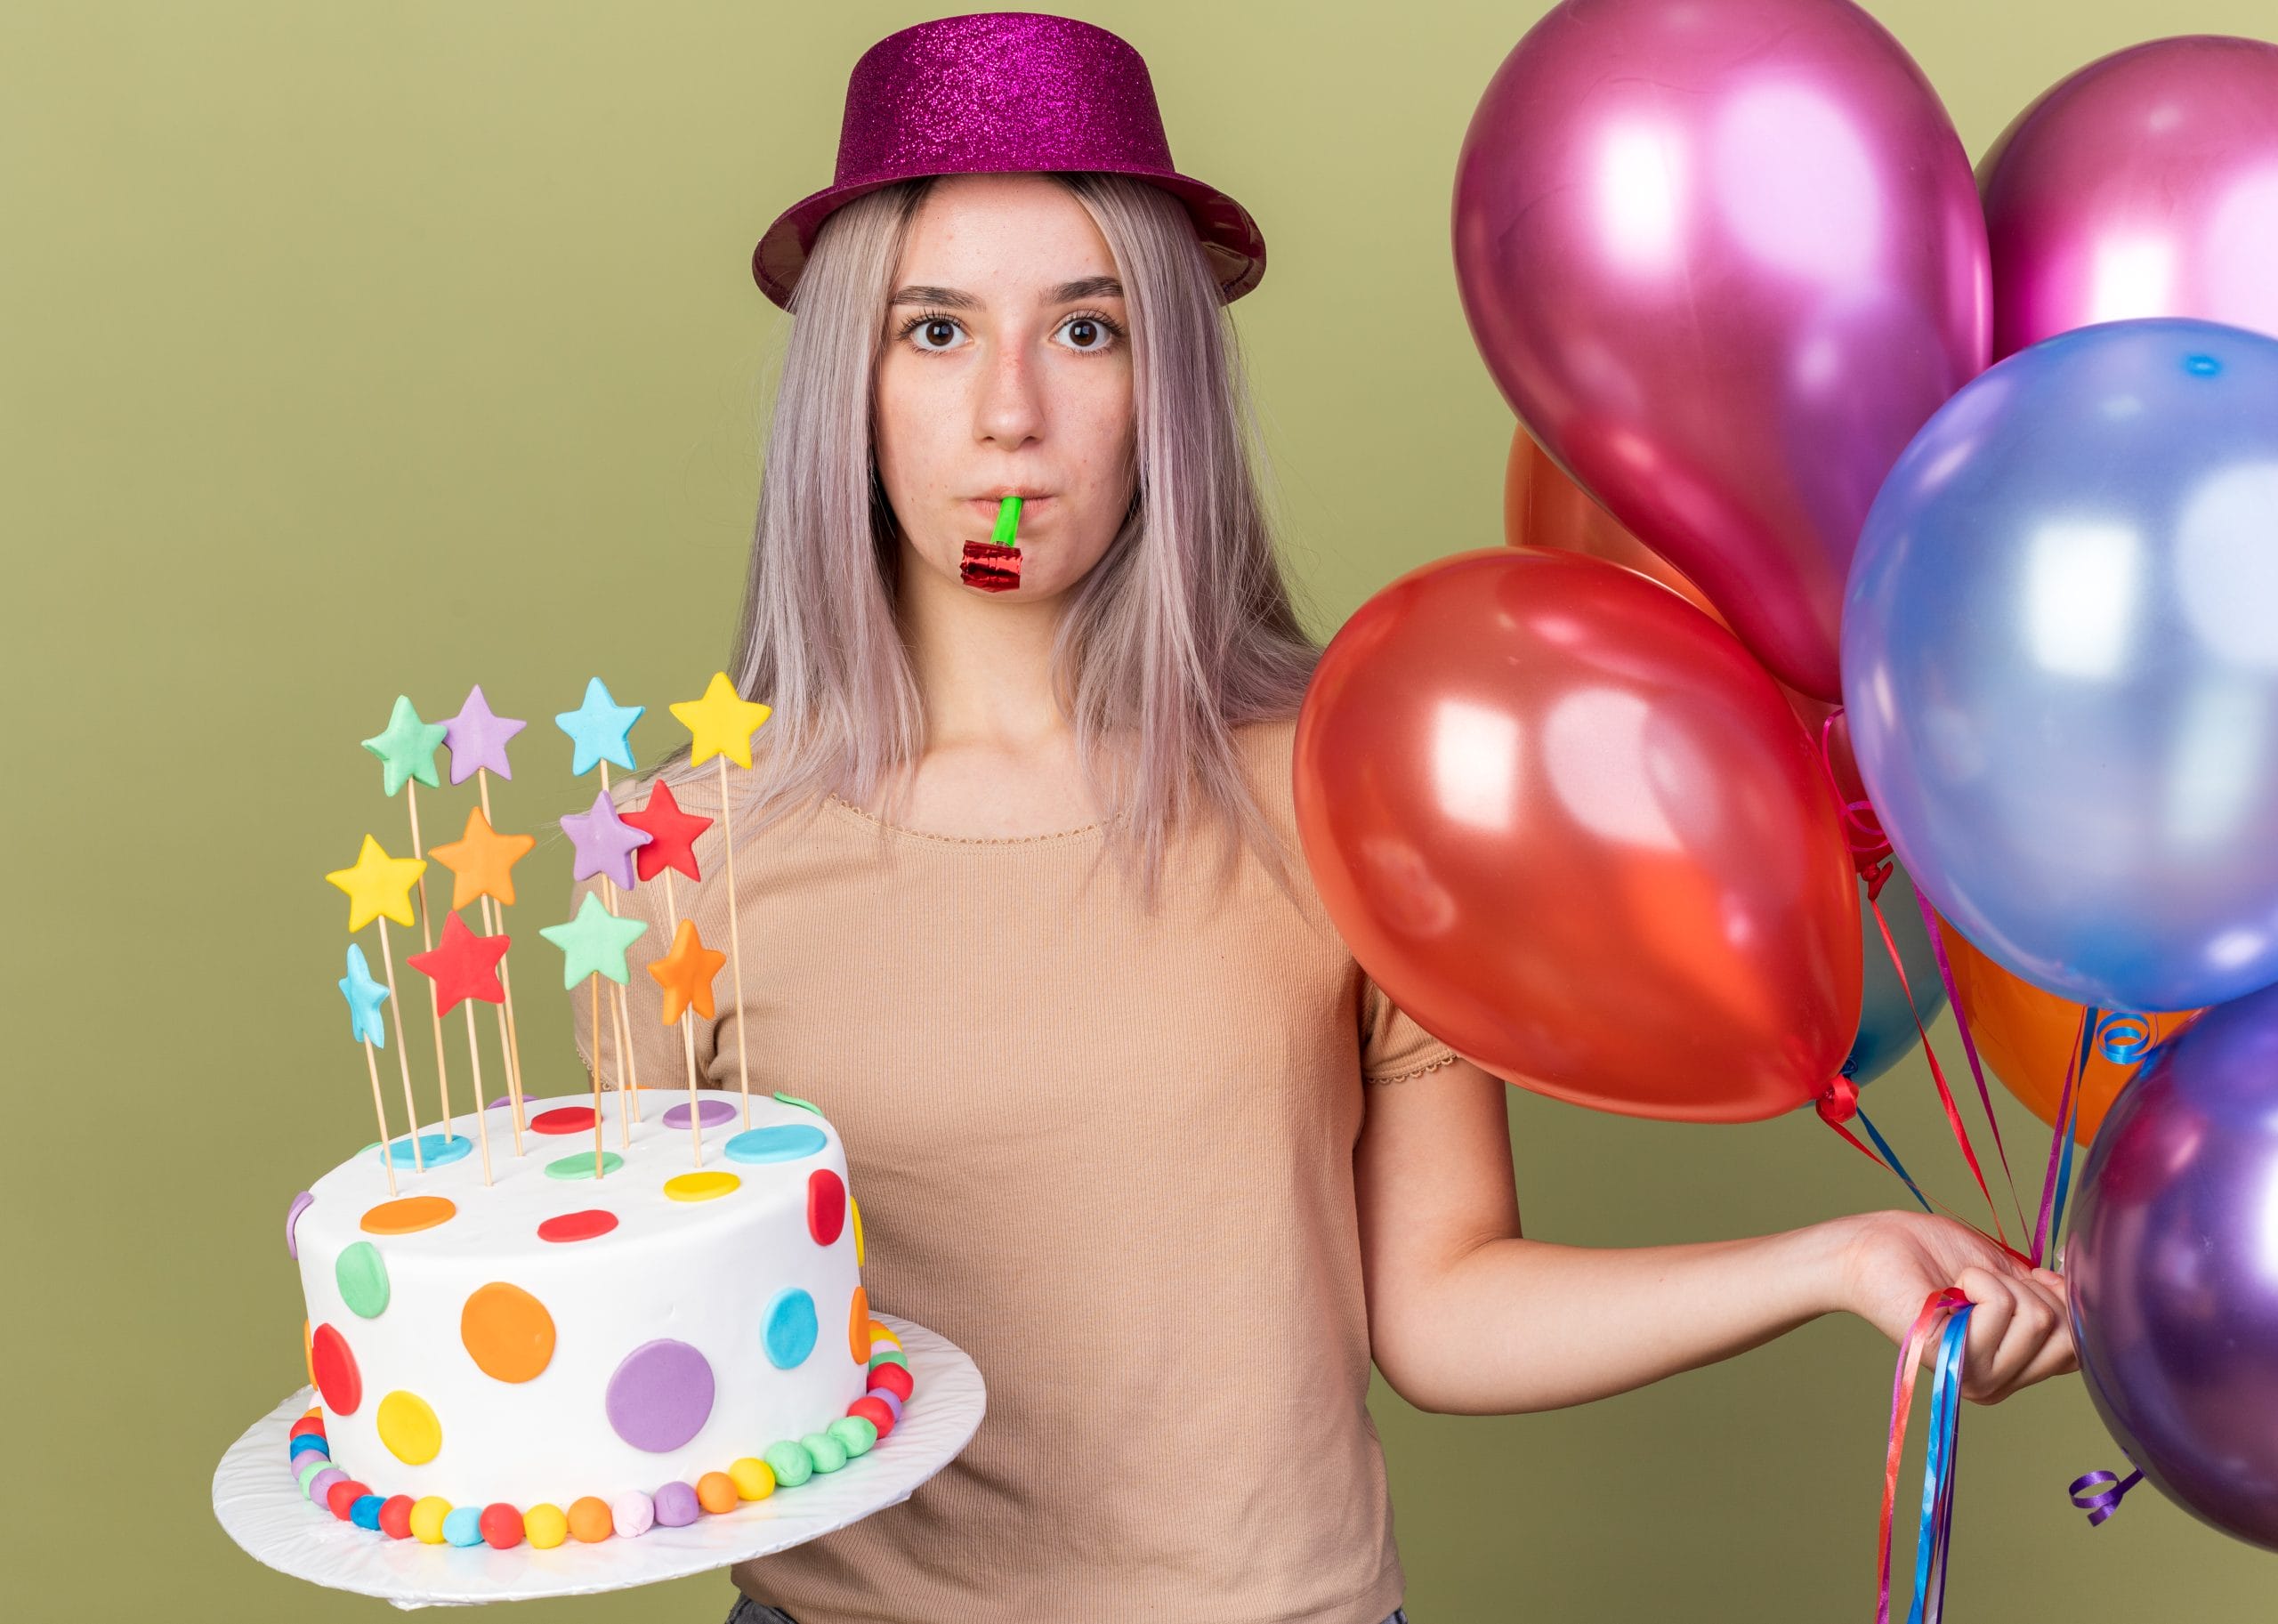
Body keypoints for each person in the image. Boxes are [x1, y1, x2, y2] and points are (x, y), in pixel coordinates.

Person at [577, 15, 2076, 1623]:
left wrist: (1834, 1260)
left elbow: (1436, 1309)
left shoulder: (1344, 789)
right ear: (848, 391)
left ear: (1167, 388)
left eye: (1086, 333)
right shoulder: (677, 851)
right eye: (933, 331)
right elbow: (639, 1374)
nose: (1009, 412)